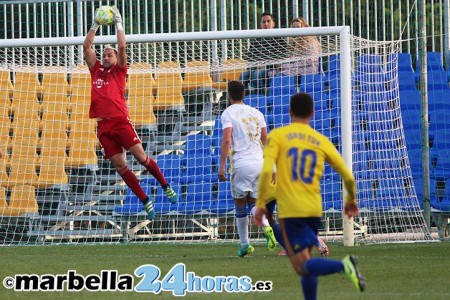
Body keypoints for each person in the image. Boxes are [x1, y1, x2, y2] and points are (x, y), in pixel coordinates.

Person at [254, 93, 366, 299]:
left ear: (290, 113)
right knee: (306, 262)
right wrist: (350, 200)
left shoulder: (277, 136)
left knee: (301, 265)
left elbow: (266, 172)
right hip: (313, 208)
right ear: (313, 114)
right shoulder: (320, 140)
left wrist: (261, 203)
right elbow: (348, 177)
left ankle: (344, 266)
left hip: (291, 210)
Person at [83, 6, 177, 221]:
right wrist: (95, 26)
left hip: (120, 121)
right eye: (104, 54)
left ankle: (165, 185)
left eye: (110, 55)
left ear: (116, 59)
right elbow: (87, 46)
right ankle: (145, 200)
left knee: (141, 157)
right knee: (119, 165)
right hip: (103, 126)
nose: (106, 57)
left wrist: (118, 24)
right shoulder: (95, 70)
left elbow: (122, 46)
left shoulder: (119, 71)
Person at [218, 80, 276, 257]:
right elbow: (266, 141)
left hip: (242, 164)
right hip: (260, 163)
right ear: (244, 94)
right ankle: (266, 226)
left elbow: (227, 140)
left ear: (229, 96)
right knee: (253, 203)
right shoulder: (257, 113)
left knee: (239, 205)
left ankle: (244, 245)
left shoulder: (228, 113)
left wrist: (221, 166)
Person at [241, 12, 287, 94]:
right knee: (243, 75)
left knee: (257, 75)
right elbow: (249, 59)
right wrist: (256, 66)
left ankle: (260, 100)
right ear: (260, 24)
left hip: (272, 70)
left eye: (268, 21)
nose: (266, 24)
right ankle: (244, 100)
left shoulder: (279, 39)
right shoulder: (256, 40)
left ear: (273, 24)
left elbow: (283, 59)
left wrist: (266, 65)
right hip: (256, 69)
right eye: (263, 22)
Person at [282, 17, 322, 85]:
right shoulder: (294, 41)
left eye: (298, 27)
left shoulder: (309, 40)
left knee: (283, 75)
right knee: (274, 73)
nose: (296, 30)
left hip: (309, 70)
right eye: (294, 28)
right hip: (297, 69)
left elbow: (309, 60)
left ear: (303, 26)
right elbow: (292, 59)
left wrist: (289, 66)